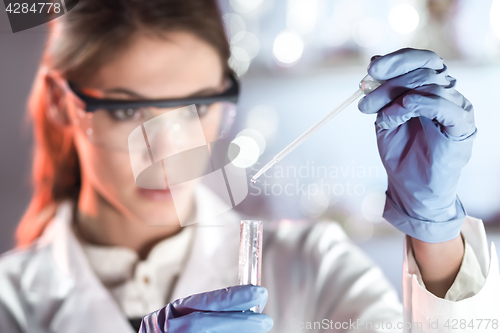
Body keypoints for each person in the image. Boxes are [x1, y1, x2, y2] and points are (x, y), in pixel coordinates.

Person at [0, 0, 499, 332]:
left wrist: (436, 236)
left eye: (195, 108)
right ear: (63, 104)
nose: (165, 152)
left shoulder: (312, 265)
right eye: (127, 111)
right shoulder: (12, 304)